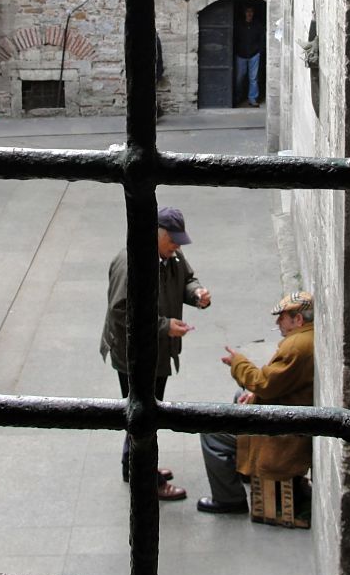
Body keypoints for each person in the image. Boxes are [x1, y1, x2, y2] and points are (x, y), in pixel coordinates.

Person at [100, 206, 212, 501]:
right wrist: (164, 327)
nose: (177, 245)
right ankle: (144, 476)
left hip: (157, 351)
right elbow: (120, 312)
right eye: (173, 239)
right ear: (156, 235)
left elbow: (187, 278)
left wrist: (197, 294)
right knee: (142, 412)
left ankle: (134, 466)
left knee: (145, 409)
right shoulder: (131, 264)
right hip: (135, 355)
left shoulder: (170, 255)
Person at [197, 290, 314, 515]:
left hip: (283, 430)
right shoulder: (304, 339)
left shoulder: (296, 346)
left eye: (282, 317)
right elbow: (272, 385)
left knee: (211, 431)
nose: (278, 322)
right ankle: (244, 470)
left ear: (298, 320)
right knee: (239, 398)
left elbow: (263, 384)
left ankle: (229, 498)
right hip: (288, 412)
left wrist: (238, 363)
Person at [234, 4, 264, 107]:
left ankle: (252, 98)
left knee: (253, 78)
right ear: (244, 13)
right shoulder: (239, 25)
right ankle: (238, 96)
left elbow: (261, 38)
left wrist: (259, 51)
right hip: (241, 55)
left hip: (254, 54)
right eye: (247, 11)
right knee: (239, 78)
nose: (249, 14)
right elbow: (235, 39)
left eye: (251, 11)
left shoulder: (257, 25)